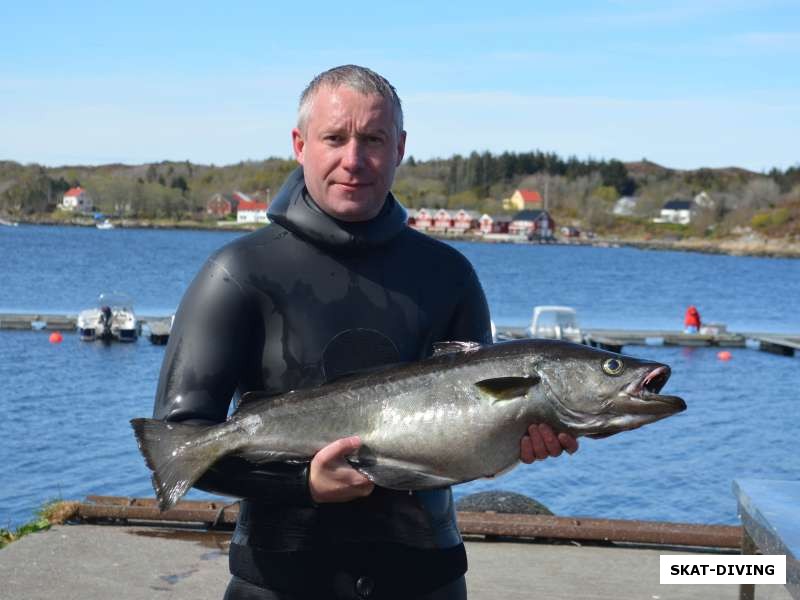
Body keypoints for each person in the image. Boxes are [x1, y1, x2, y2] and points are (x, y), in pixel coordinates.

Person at [153, 65, 578, 600]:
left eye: (373, 139)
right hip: (280, 582)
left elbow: (473, 427)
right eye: (335, 138)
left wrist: (518, 440)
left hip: (426, 578)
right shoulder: (236, 273)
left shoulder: (449, 275)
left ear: (399, 148)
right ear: (299, 144)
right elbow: (178, 440)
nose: (353, 160)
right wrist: (300, 485)